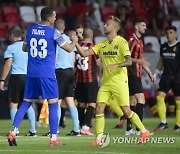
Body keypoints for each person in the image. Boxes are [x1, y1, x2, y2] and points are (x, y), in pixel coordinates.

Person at [7, 6, 78, 146]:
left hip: (32, 72)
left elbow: (24, 48)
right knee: (53, 103)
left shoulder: (30, 30)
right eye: (54, 16)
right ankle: (53, 138)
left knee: (26, 102)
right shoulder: (54, 32)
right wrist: (74, 40)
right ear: (49, 18)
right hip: (47, 73)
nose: (56, 18)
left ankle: (13, 132)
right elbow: (69, 49)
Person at [75, 15, 150, 145]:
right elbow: (84, 54)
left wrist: (116, 65)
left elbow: (128, 61)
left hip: (119, 82)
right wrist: (75, 42)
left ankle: (144, 131)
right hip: (106, 83)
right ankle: (99, 139)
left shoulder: (121, 42)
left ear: (114, 27)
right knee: (98, 108)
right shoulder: (102, 44)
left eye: (107, 24)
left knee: (126, 111)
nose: (104, 26)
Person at [0, 26, 37, 137]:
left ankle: (15, 130)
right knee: (28, 104)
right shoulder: (29, 47)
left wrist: (2, 80)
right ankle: (32, 130)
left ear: (12, 35)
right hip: (29, 77)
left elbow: (8, 64)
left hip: (16, 77)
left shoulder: (11, 48)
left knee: (13, 104)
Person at [124, 18, 155, 135]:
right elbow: (126, 58)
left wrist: (149, 73)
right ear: (136, 27)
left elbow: (141, 61)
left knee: (132, 101)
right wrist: (139, 62)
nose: (145, 27)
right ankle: (139, 130)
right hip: (132, 74)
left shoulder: (140, 41)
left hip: (136, 73)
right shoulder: (132, 40)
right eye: (143, 25)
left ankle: (129, 129)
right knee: (141, 99)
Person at [54, 19, 80, 136]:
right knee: (70, 101)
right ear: (64, 27)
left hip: (60, 71)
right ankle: (76, 129)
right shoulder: (69, 39)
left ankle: (55, 130)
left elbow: (55, 56)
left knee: (57, 101)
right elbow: (74, 58)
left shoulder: (55, 39)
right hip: (70, 71)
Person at [154, 25, 180, 132]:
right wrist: (155, 74)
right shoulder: (163, 46)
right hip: (166, 77)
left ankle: (178, 124)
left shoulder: (179, 47)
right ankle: (163, 122)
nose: (169, 35)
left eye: (171, 33)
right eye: (167, 33)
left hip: (178, 78)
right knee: (160, 97)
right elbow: (161, 61)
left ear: (176, 34)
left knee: (178, 101)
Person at [75, 27, 100, 135]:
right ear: (91, 36)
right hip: (90, 79)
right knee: (92, 103)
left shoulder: (78, 47)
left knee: (81, 104)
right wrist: (98, 75)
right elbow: (98, 64)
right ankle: (85, 126)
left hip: (79, 79)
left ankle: (81, 125)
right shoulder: (93, 47)